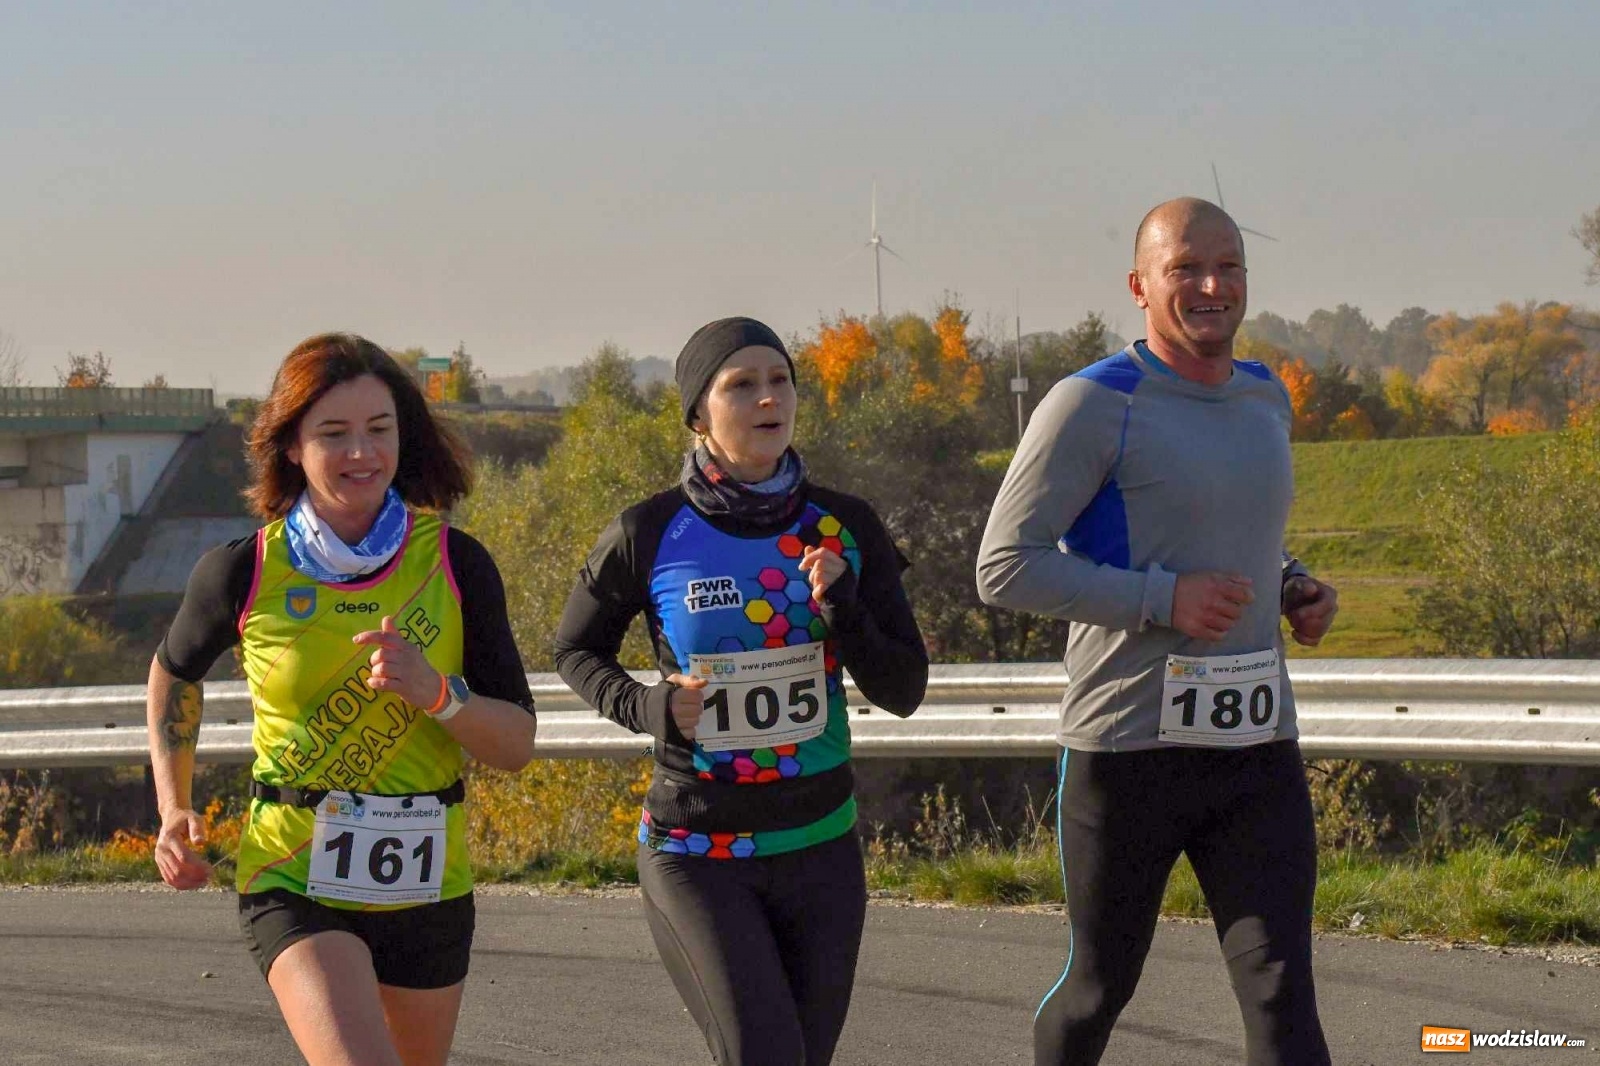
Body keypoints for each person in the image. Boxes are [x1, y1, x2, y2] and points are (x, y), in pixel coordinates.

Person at [976, 198, 1339, 1066]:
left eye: (1229, 266)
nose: (1212, 286)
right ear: (1140, 286)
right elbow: (1004, 566)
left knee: (1282, 992)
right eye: (1186, 269)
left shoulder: (1265, 395)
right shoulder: (1090, 402)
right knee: (1098, 991)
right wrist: (1163, 600)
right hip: (1128, 750)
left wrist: (1291, 583)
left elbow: (1233, 531)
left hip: (1256, 746)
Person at [146, 333, 537, 1066]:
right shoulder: (243, 571)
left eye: (379, 429)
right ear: (292, 446)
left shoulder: (456, 563)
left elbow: (516, 745)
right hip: (292, 873)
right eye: (333, 433)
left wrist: (438, 695)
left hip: (428, 880)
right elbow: (173, 671)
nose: (361, 452)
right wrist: (174, 806)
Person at [554, 316, 928, 1066]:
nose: (768, 398)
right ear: (699, 414)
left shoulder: (845, 525)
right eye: (742, 384)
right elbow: (575, 650)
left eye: (780, 380)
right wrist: (649, 707)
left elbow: (904, 689)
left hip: (821, 845)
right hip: (697, 846)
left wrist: (846, 610)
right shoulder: (649, 530)